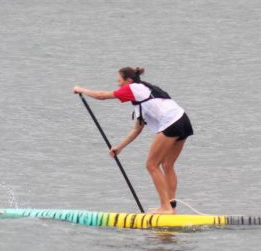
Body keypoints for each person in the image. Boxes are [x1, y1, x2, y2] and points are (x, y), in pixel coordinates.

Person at [73, 67, 193, 214]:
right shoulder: (141, 95)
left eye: (119, 81)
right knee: (167, 165)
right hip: (183, 120)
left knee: (151, 165)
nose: (118, 85)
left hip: (171, 123)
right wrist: (119, 147)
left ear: (128, 81)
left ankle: (165, 208)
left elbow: (102, 96)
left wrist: (81, 90)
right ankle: (171, 208)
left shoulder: (133, 88)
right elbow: (137, 129)